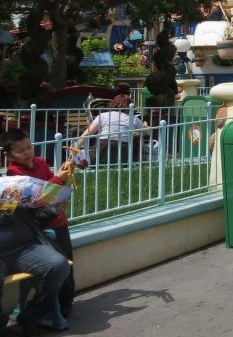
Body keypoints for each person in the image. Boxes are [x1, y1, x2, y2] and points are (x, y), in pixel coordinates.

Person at [1, 128, 76, 320]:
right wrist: (59, 179)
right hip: (40, 225)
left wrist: (61, 179)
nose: (27, 153)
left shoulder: (40, 162)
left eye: (29, 147)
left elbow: (49, 190)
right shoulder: (14, 175)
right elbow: (33, 201)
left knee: (66, 263)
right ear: (8, 155)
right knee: (58, 261)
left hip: (56, 219)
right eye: (20, 151)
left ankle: (66, 302)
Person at [80, 87, 151, 163]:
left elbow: (87, 133)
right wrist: (145, 125)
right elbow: (148, 132)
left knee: (85, 154)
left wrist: (74, 149)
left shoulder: (103, 116)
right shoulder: (133, 118)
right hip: (123, 154)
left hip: (101, 150)